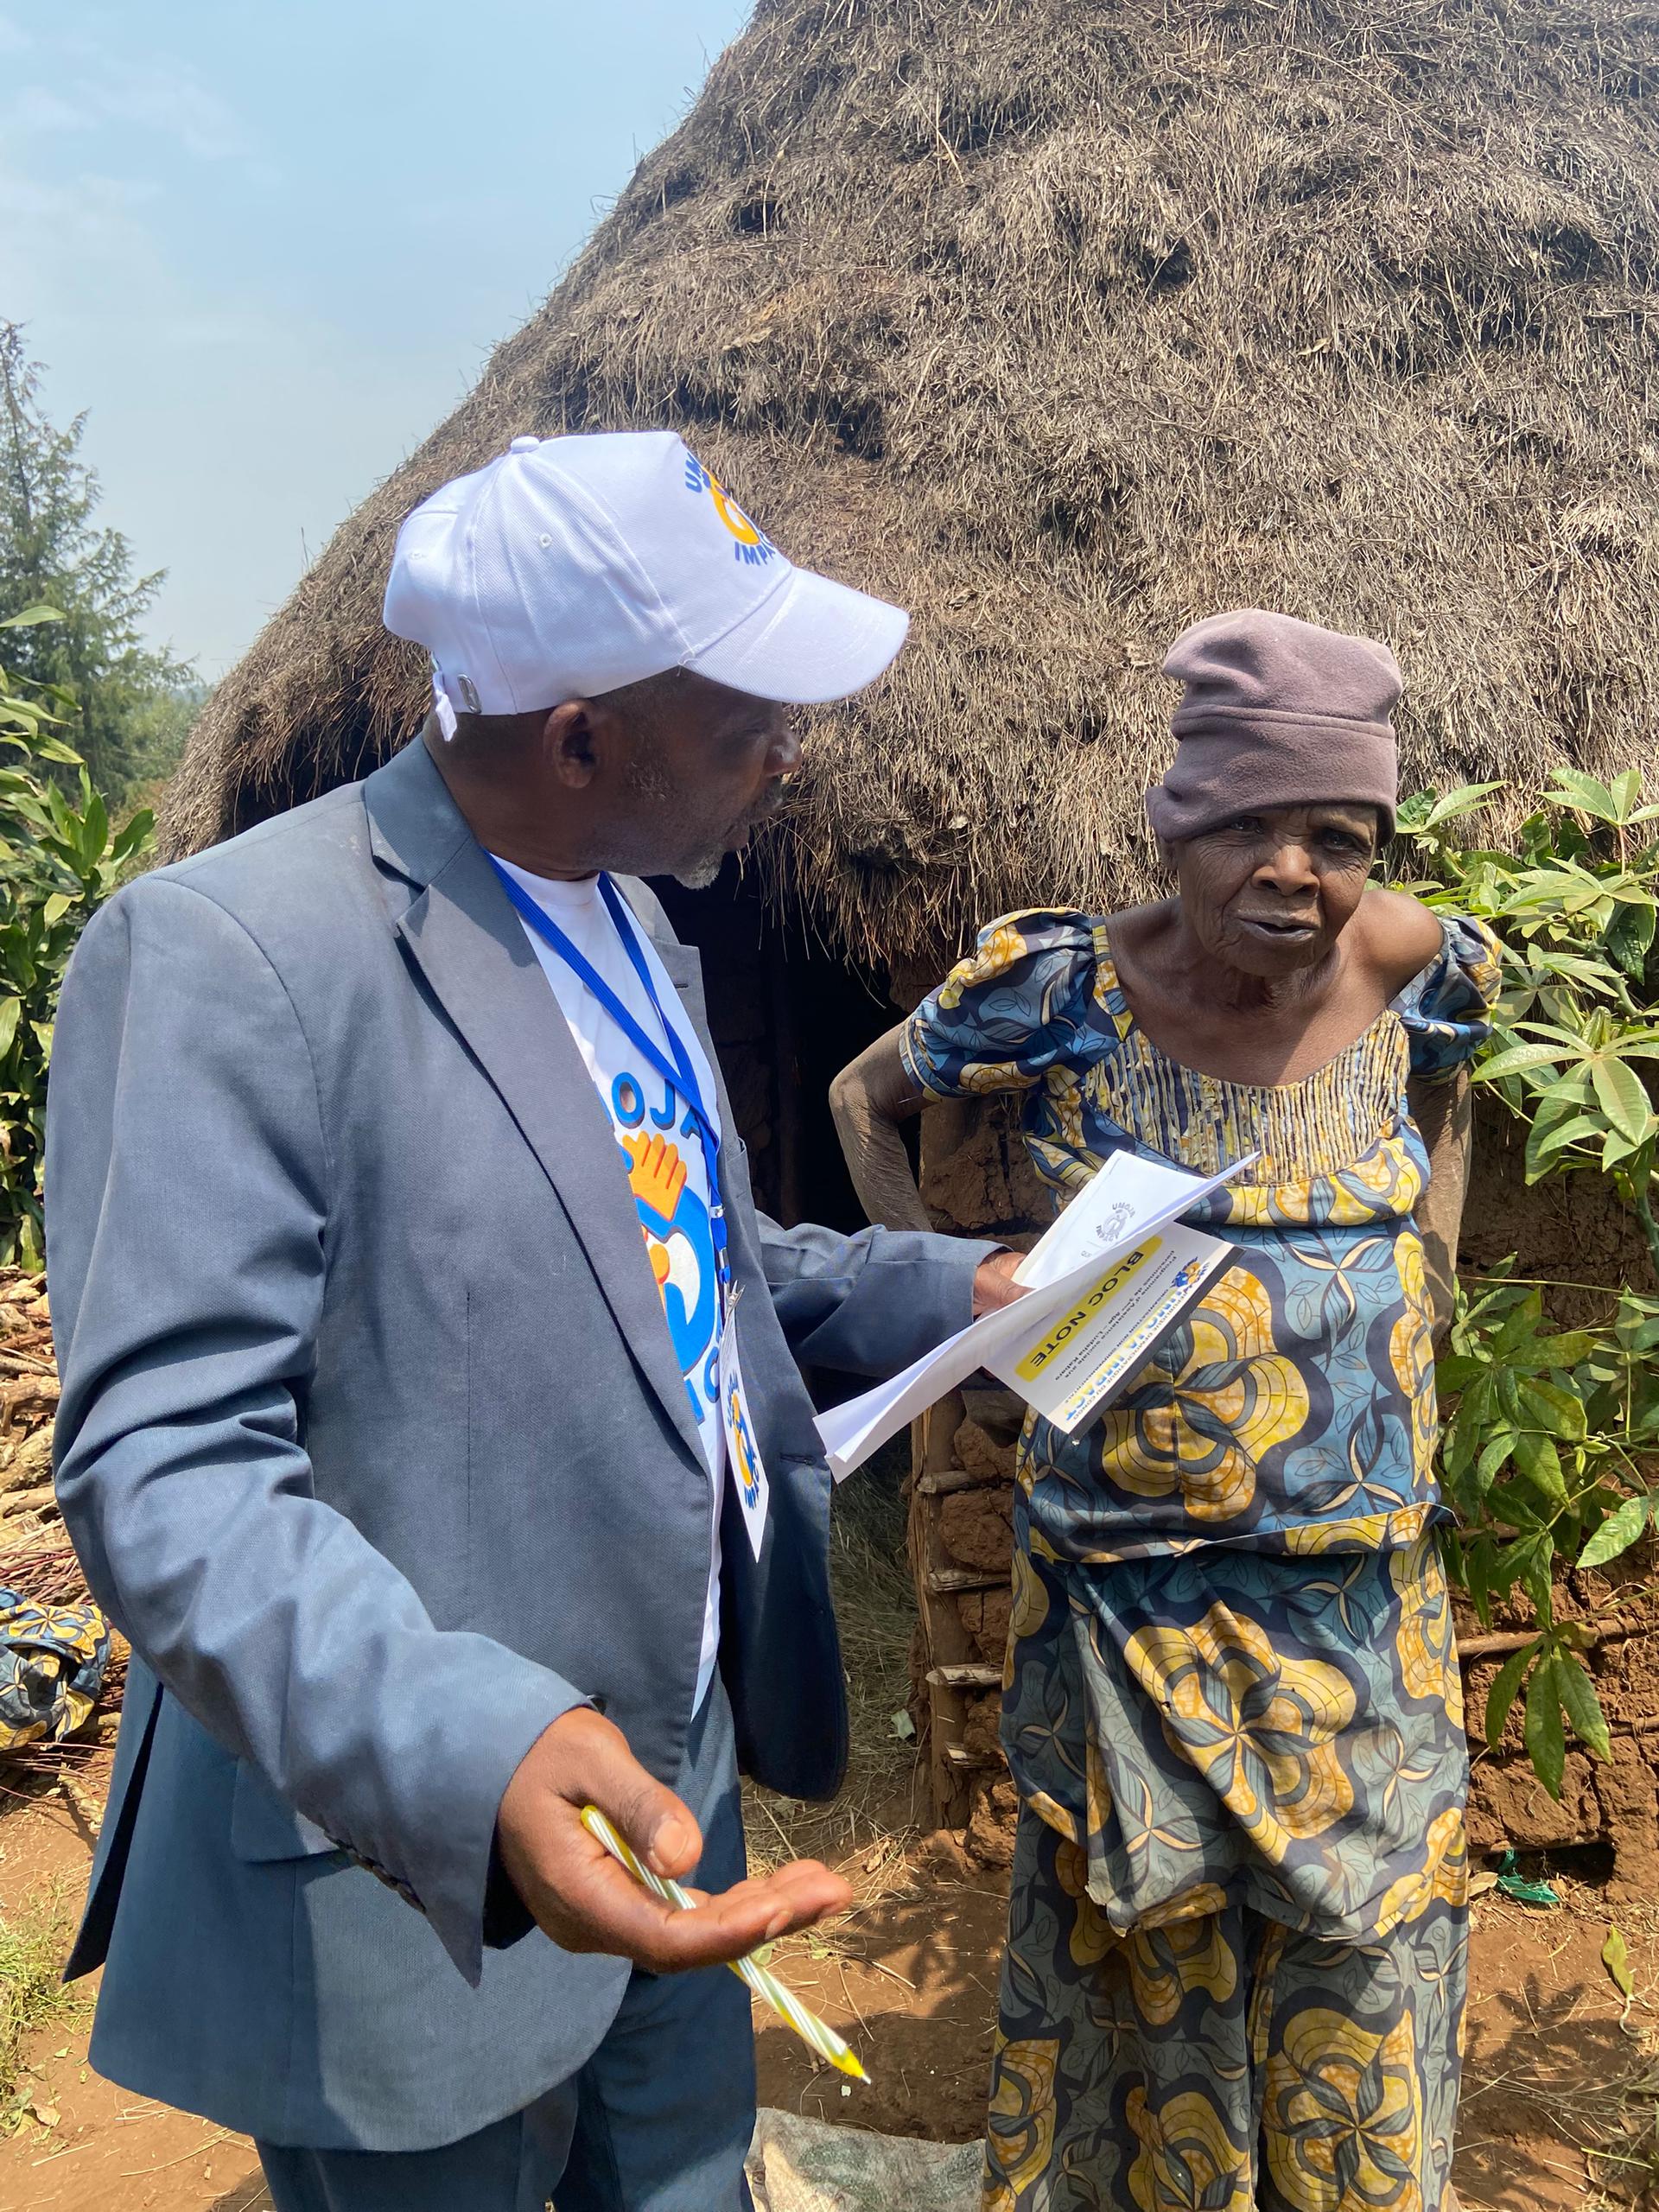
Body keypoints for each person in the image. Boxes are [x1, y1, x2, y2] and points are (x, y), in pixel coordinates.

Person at [45, 429, 1024, 2212]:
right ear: (580, 739)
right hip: (414, 1866)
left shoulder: (634, 925)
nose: (792, 755)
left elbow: (695, 1255)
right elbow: (165, 1467)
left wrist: (953, 1284)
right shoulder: (231, 955)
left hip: (673, 1782)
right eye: (751, 718)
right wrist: (474, 1744)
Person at [830, 609, 1501, 2212]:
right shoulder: (1060, 986)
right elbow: (866, 1099)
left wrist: (1428, 1263)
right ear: (1173, 828)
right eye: (1250, 827)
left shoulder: (1425, 963)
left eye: (1339, 838)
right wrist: (970, 1310)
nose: (1294, 872)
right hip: (1128, 1603)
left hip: (1364, 1610)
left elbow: (1451, 1092)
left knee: (1369, 1962)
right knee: (1144, 1969)